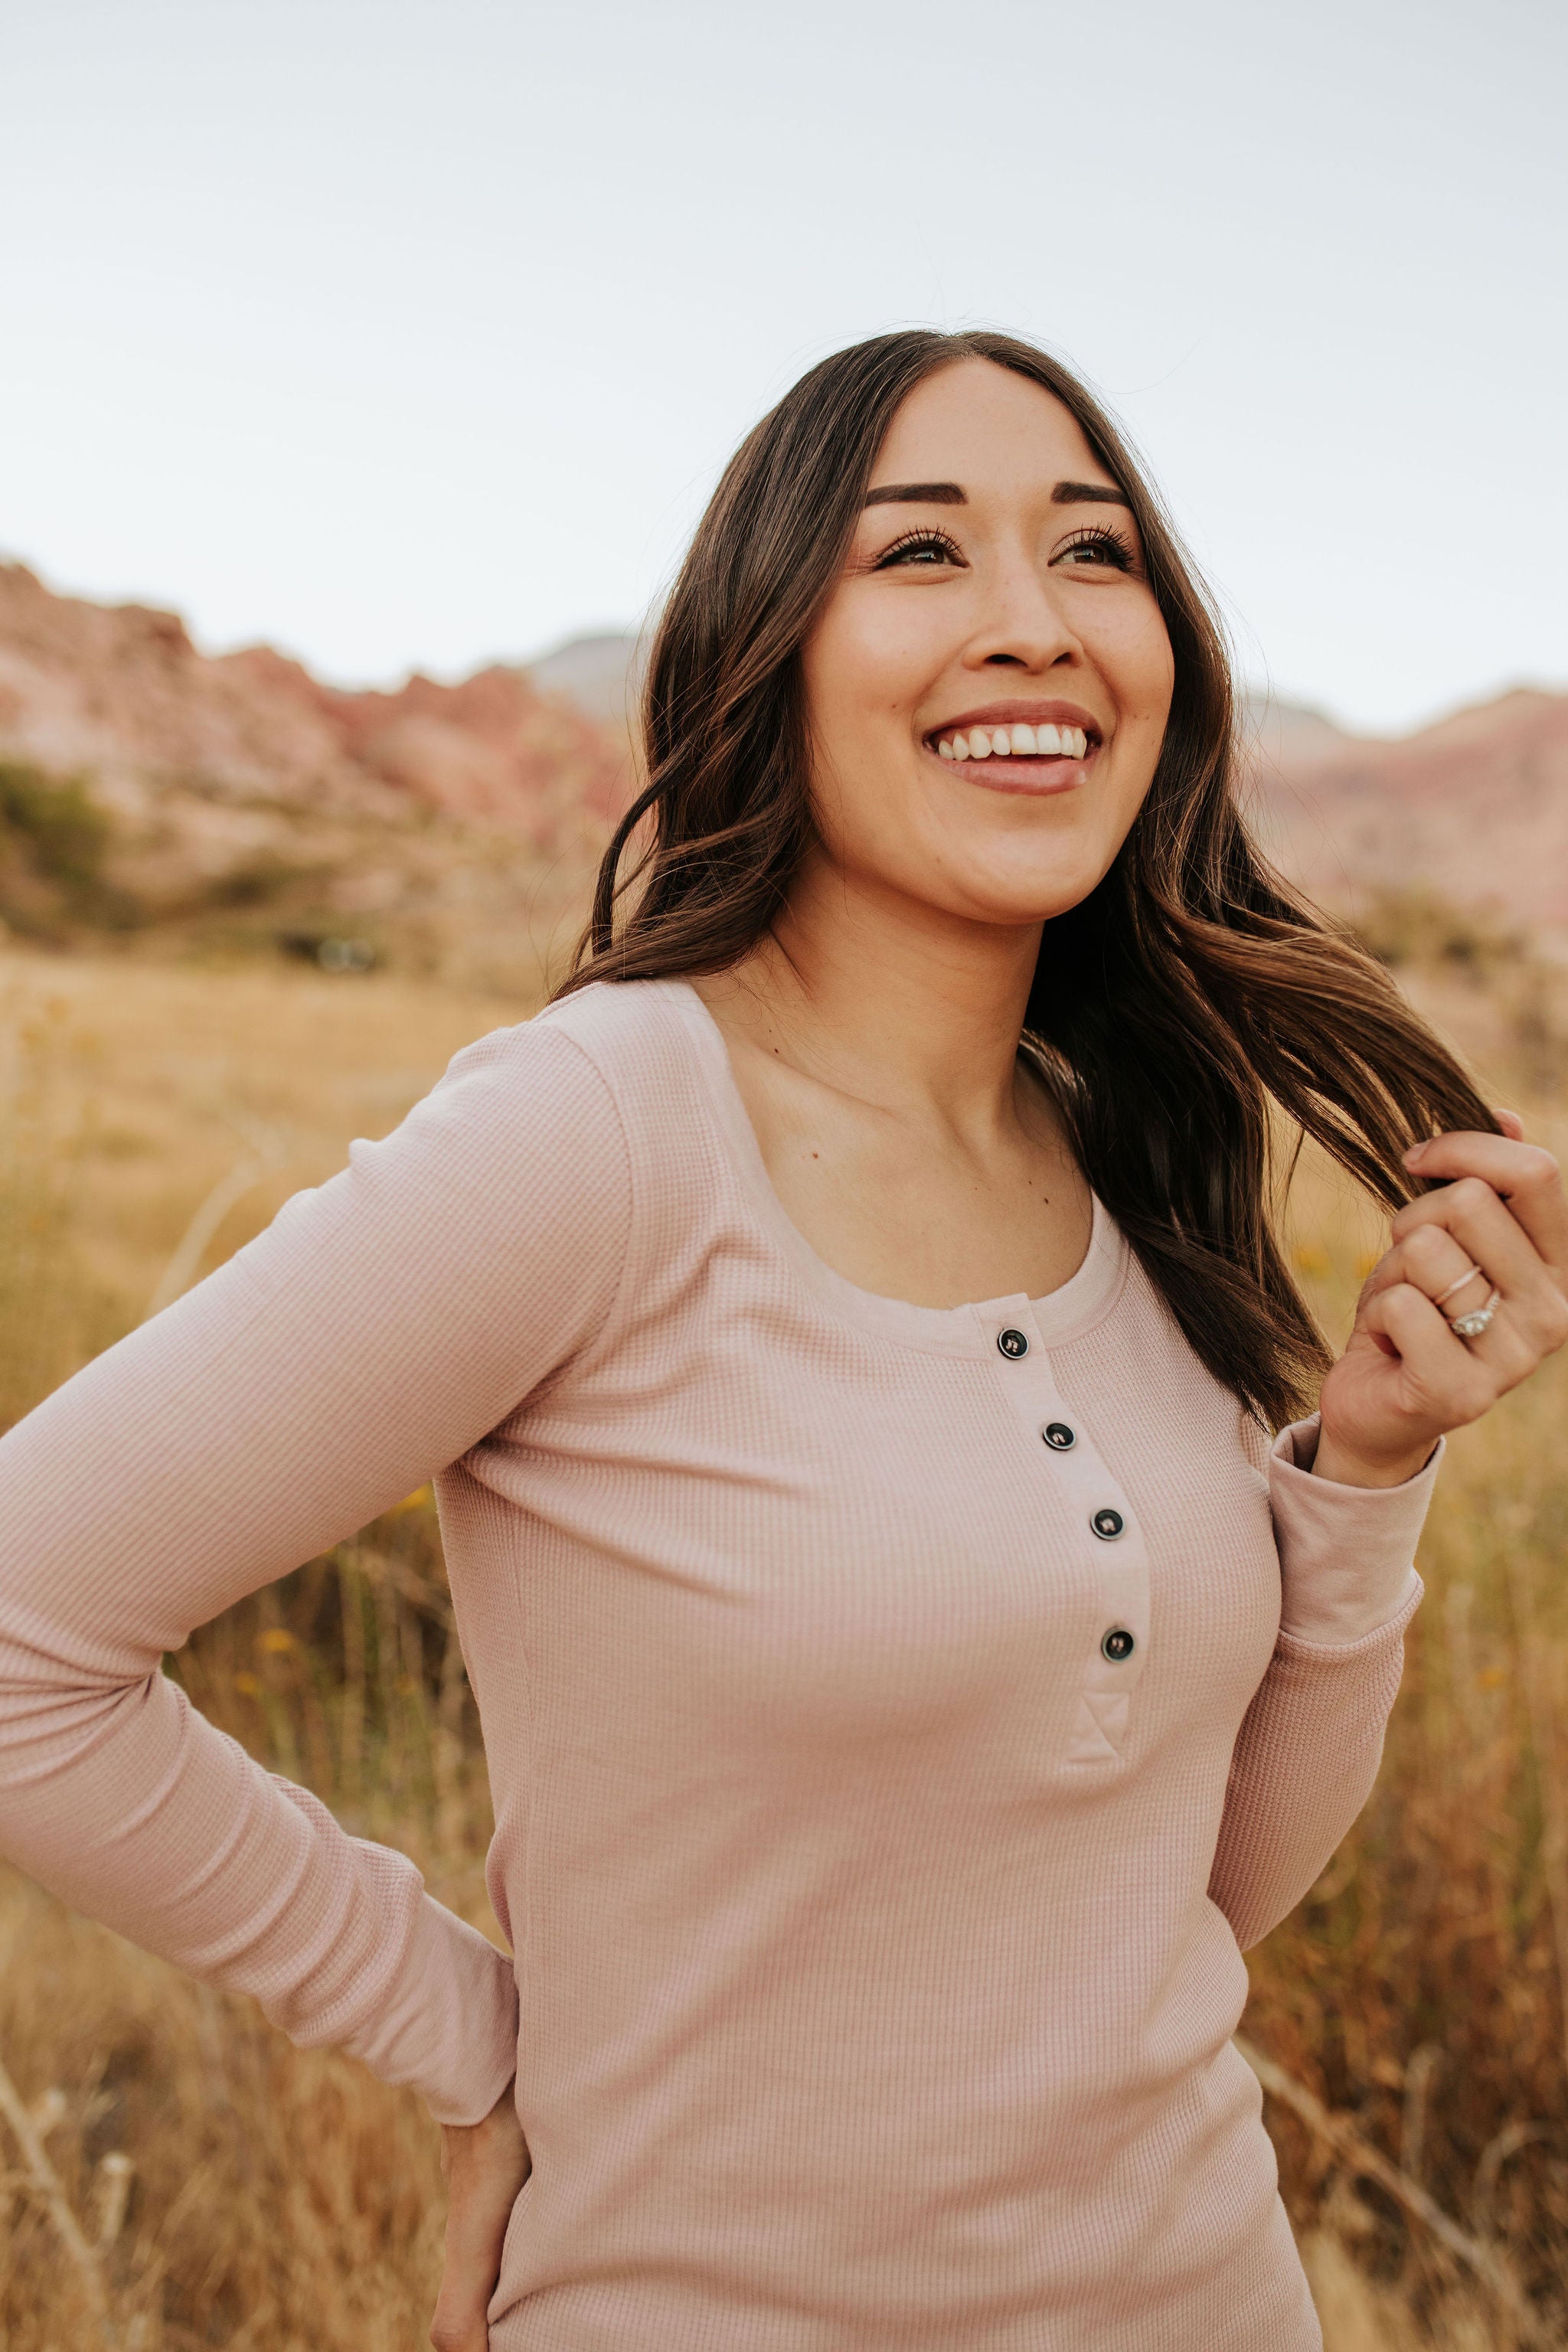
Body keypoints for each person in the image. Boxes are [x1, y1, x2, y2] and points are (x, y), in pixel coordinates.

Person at [2, 330, 1564, 2352]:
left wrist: (1365, 1478)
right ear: (768, 652)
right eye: (919, 558)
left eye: (1096, 554)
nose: (1036, 625)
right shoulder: (599, 1127)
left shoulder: (1118, 1156)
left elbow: (1173, 1902)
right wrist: (477, 2041)